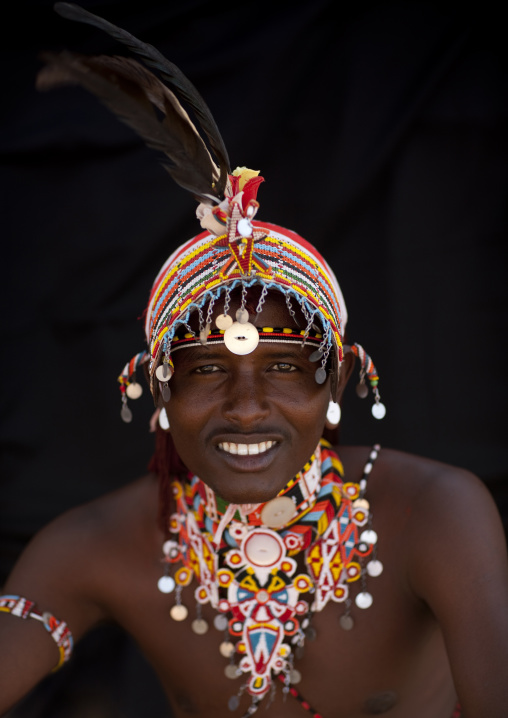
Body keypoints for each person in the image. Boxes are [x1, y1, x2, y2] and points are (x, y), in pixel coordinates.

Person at [2, 4, 508, 718]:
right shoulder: (100, 546)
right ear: (158, 388)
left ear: (335, 380)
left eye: (285, 367)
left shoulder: (432, 514)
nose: (246, 405)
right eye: (206, 369)